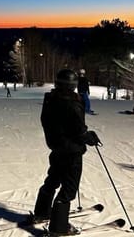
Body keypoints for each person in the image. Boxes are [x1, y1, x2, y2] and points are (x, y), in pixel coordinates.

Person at [31, 69, 101, 236]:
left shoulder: (51, 99)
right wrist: (89, 137)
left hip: (56, 148)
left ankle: (42, 212)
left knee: (53, 180)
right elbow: (78, 130)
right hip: (71, 151)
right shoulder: (72, 103)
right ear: (73, 85)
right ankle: (59, 227)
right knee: (68, 188)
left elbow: (52, 123)